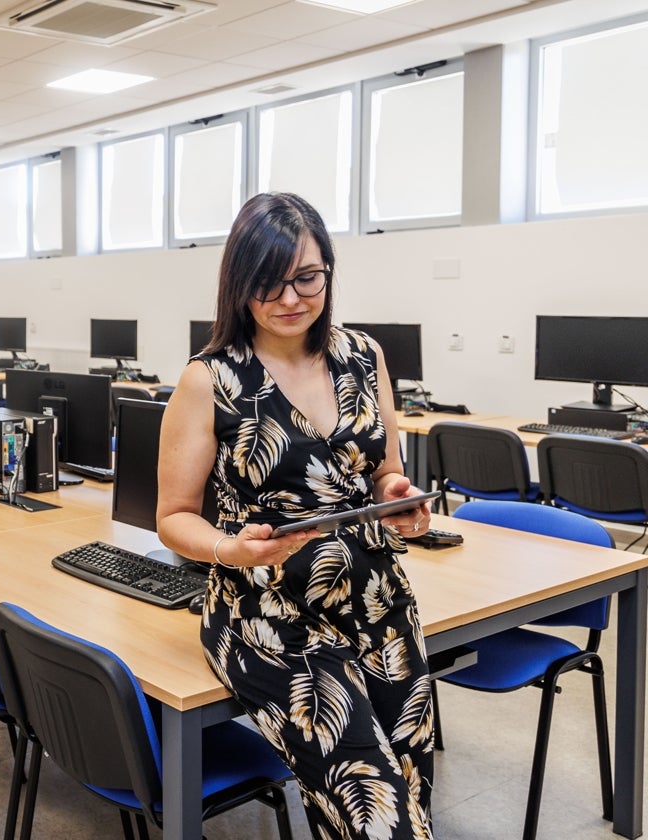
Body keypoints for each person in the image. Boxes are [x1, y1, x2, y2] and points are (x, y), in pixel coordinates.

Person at [157, 192, 436, 839]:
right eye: (268, 283)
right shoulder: (211, 379)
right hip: (269, 617)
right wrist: (233, 549)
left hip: (379, 603)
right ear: (239, 285)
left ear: (328, 273)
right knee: (379, 813)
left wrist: (401, 496)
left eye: (306, 278)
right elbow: (173, 515)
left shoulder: (364, 357)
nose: (290, 298)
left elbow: (383, 468)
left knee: (410, 786)